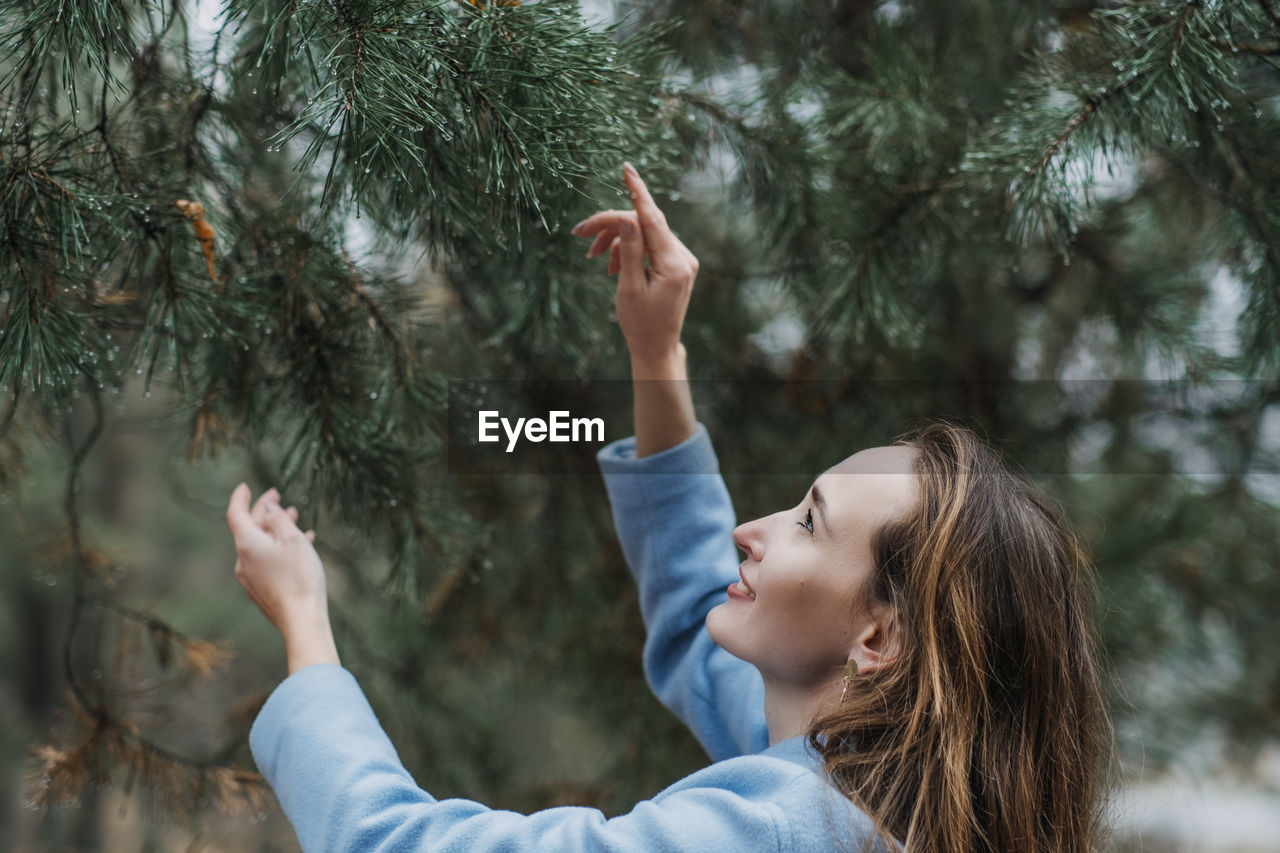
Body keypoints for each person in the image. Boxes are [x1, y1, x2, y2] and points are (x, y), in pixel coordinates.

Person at [226, 163, 1112, 853]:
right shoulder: (872, 797)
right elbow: (699, 612)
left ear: (878, 640)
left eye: (809, 520)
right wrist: (657, 357)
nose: (751, 532)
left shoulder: (772, 827)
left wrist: (305, 624)